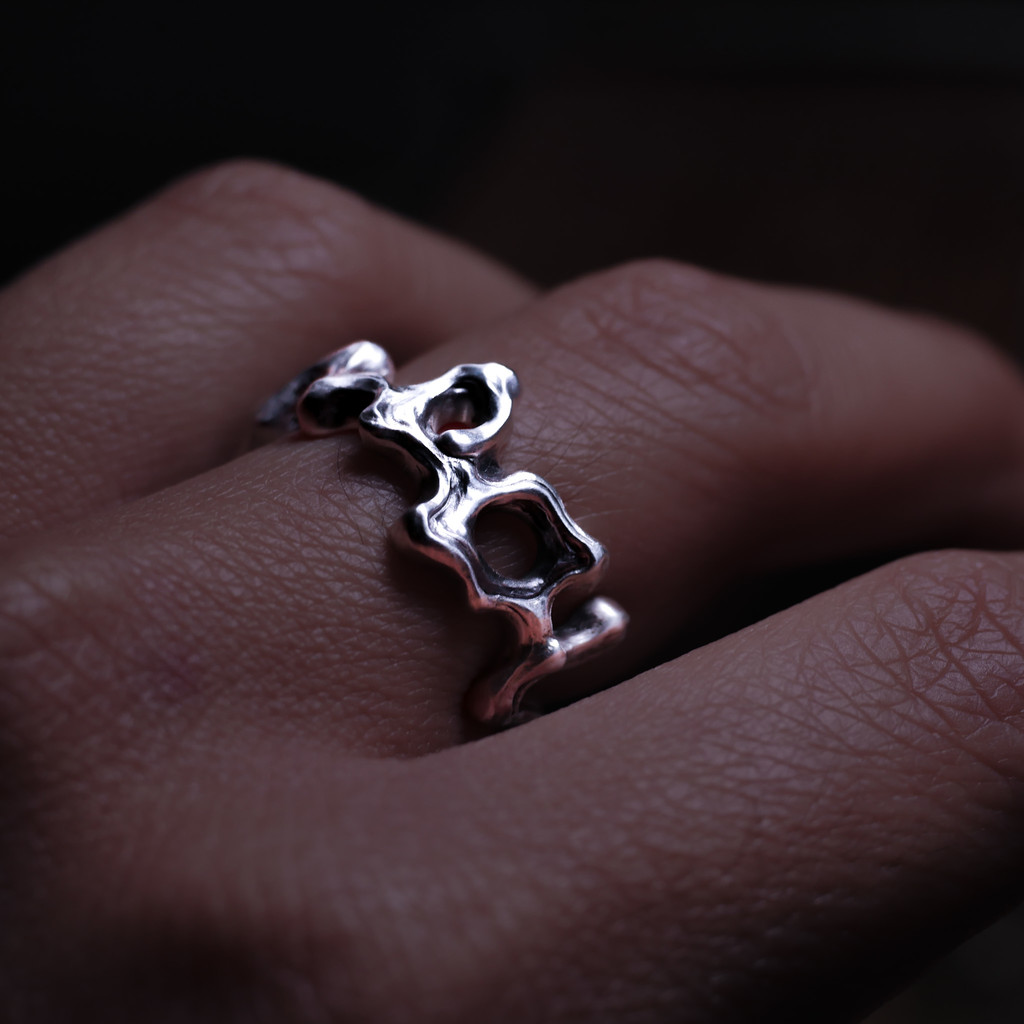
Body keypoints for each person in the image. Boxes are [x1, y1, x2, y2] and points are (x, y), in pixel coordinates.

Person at [2, 159, 1024, 1022]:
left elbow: (485, 392)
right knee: (450, 534)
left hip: (489, 494)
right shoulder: (378, 424)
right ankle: (529, 637)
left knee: (520, 519)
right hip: (459, 519)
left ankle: (540, 628)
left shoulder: (424, 407)